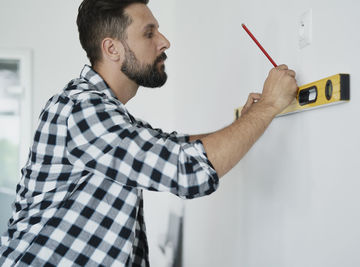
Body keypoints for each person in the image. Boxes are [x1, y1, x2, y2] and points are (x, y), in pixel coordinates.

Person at [0, 0, 298, 266]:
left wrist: (246, 121)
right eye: (149, 33)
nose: (164, 42)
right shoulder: (83, 110)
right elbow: (186, 170)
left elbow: (173, 147)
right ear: (112, 48)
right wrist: (269, 105)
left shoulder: (105, 113)